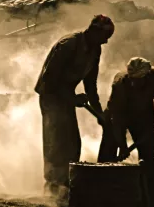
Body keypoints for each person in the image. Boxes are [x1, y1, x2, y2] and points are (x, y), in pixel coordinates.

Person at [34, 14, 115, 197]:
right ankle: (52, 189)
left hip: (66, 97)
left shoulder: (95, 49)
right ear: (95, 32)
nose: (106, 42)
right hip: (51, 97)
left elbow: (90, 84)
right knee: (56, 142)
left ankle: (64, 185)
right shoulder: (68, 45)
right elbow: (50, 80)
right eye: (105, 37)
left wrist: (99, 113)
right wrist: (73, 99)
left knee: (72, 143)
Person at [102, 57, 154, 207]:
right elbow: (118, 118)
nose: (135, 83)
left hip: (144, 115)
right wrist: (122, 144)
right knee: (108, 155)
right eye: (132, 79)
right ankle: (102, 192)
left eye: (139, 80)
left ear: (147, 75)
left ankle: (150, 197)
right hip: (117, 113)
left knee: (149, 158)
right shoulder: (120, 84)